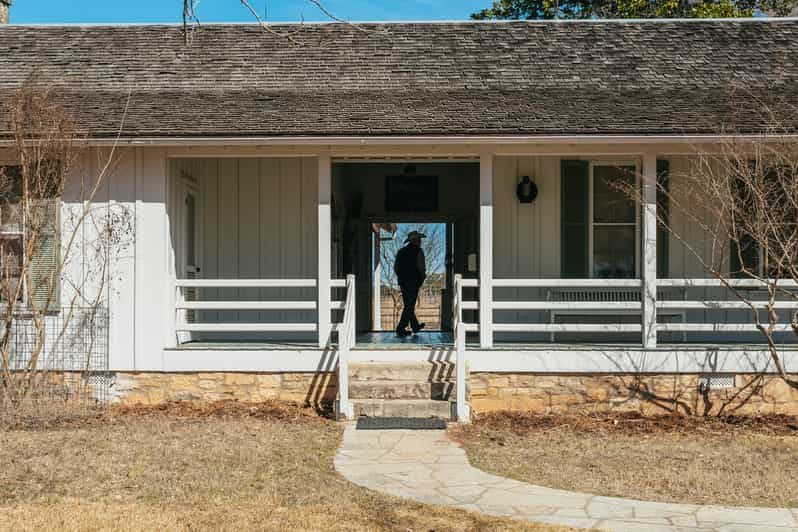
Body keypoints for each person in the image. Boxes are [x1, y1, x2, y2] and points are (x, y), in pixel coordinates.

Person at [394, 230, 427, 337]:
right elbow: (421, 267)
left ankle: (415, 326)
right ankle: (400, 328)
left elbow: (396, 267)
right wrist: (422, 278)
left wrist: (401, 277)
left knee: (409, 305)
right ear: (415, 240)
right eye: (418, 239)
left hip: (403, 282)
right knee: (409, 305)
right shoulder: (419, 251)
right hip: (413, 282)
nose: (420, 241)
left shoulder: (401, 252)